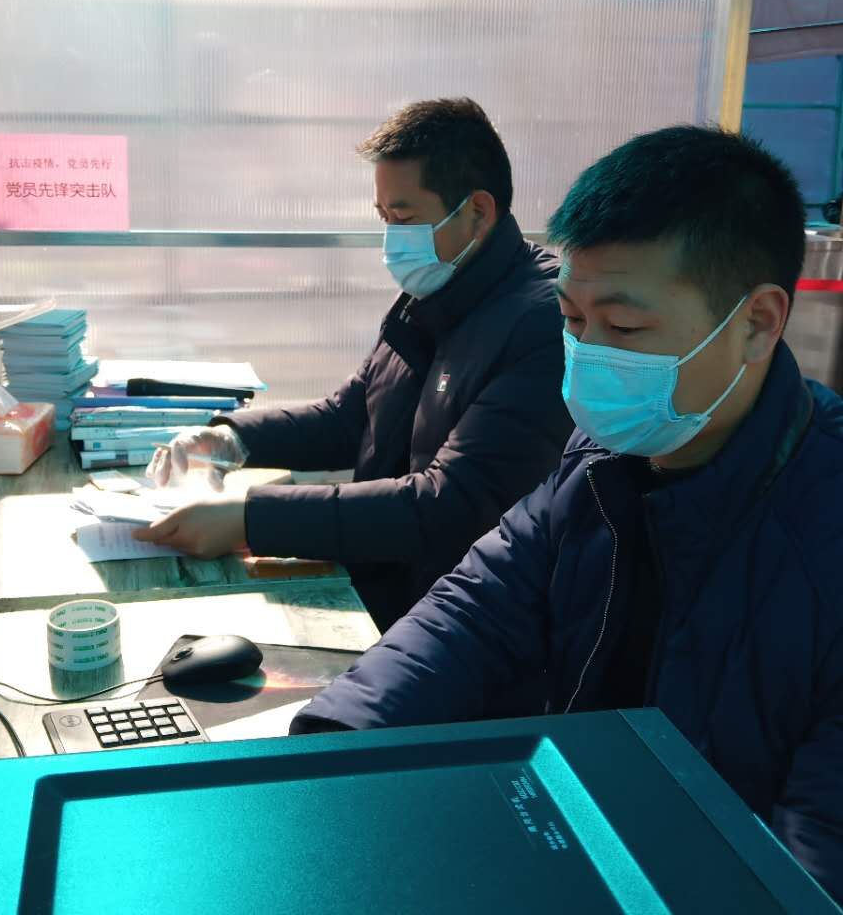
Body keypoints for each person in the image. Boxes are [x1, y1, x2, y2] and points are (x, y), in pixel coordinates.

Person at [288, 125, 843, 902]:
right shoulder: (604, 457)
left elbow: (815, 860)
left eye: (625, 328)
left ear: (757, 322)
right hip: (578, 845)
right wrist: (332, 745)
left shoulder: (821, 521)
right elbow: (479, 603)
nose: (588, 355)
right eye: (573, 321)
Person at [135, 98, 572, 629]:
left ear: (478, 212)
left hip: (463, 620)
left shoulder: (541, 324)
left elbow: (450, 503)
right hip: (384, 586)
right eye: (384, 217)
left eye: (404, 218)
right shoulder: (433, 292)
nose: (391, 240)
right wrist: (231, 437)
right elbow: (350, 416)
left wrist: (251, 519)